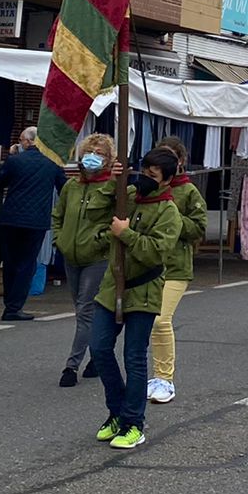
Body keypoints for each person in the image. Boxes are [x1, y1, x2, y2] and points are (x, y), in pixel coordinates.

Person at [88, 149, 183, 450]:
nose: (145, 179)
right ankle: (116, 411)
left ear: (167, 179)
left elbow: (156, 252)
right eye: (144, 171)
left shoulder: (169, 213)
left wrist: (126, 234)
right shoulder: (129, 194)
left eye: (153, 175)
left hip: (143, 292)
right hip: (110, 287)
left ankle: (133, 423)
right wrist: (112, 182)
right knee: (100, 347)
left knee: (134, 356)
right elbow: (95, 212)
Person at [51, 132, 118, 388]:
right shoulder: (72, 186)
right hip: (71, 255)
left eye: (100, 153)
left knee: (85, 310)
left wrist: (100, 241)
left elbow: (117, 221)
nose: (94, 157)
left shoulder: (110, 188)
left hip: (96, 258)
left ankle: (71, 365)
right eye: (91, 152)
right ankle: (97, 357)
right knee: (82, 310)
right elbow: (58, 215)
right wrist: (60, 239)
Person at [148, 135, 206, 405]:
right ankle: (150, 376)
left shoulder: (188, 192)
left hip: (176, 267)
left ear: (180, 162)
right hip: (148, 265)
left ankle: (165, 378)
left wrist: (171, 216)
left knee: (161, 320)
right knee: (145, 323)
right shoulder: (147, 188)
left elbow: (197, 229)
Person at [0, 126, 65, 322]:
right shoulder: (53, 163)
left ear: (29, 142)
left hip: (11, 218)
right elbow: (64, 187)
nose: (19, 144)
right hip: (36, 221)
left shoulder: (15, 161)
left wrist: (8, 159)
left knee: (10, 262)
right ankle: (15, 306)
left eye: (21, 141)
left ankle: (9, 304)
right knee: (27, 263)